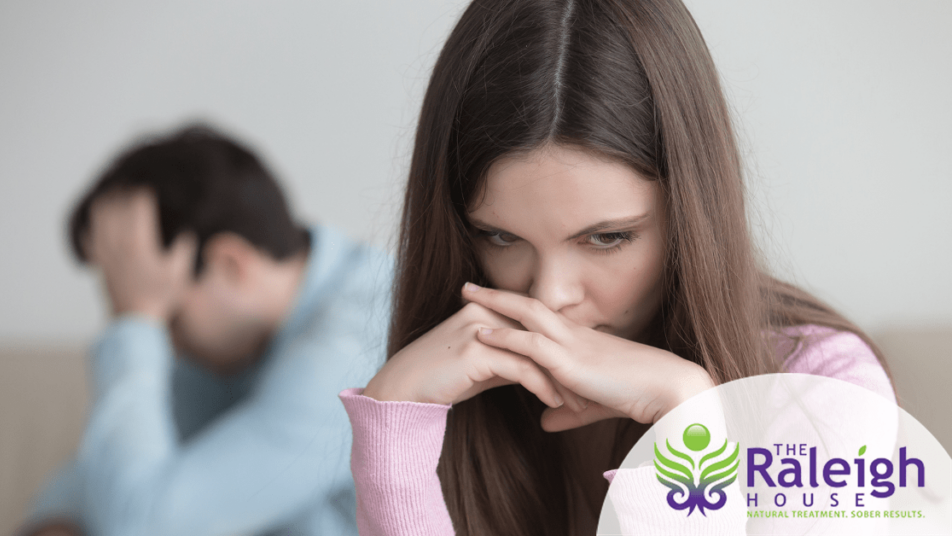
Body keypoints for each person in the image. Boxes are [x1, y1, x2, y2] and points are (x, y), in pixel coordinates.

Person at [336, 0, 897, 535]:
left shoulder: (821, 395)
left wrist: (686, 421)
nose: (549, 296)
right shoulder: (455, 383)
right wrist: (393, 432)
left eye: (606, 238)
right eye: (501, 236)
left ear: (690, 214)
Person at [21, 126, 391, 536]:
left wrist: (134, 322)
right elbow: (107, 476)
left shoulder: (349, 351)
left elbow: (140, 525)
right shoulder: (237, 343)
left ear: (230, 265)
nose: (166, 343)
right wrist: (55, 518)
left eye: (170, 317)